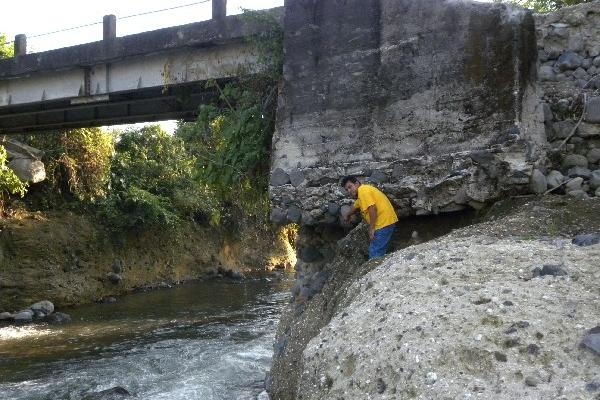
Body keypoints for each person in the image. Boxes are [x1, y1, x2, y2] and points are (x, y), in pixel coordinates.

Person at [341, 175, 398, 259]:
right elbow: (356, 206)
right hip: (387, 222)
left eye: (350, 187)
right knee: (380, 249)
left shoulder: (363, 191)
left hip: (383, 224)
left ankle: (376, 271)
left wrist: (371, 229)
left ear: (356, 183)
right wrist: (348, 215)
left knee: (374, 252)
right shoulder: (363, 192)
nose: (349, 191)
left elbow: (372, 208)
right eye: (347, 189)